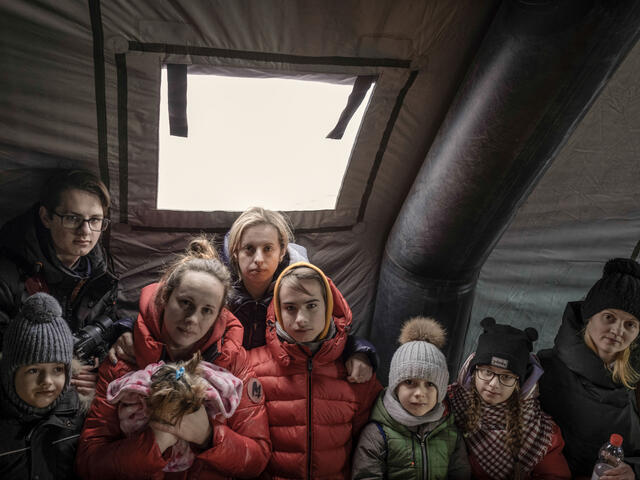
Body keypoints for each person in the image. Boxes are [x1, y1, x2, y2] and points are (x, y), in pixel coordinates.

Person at [76, 237, 270, 479]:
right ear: (165, 299)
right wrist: (154, 443)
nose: (192, 319)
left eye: (206, 310)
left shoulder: (233, 363)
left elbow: (257, 459)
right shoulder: (123, 360)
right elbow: (89, 461)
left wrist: (209, 436)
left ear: (219, 315)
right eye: (185, 303)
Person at [0, 169, 133, 397]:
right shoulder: (8, 273)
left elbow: (108, 322)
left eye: (95, 220)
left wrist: (98, 373)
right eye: (72, 218)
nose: (85, 231)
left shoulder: (101, 271)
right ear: (46, 217)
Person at [249, 262, 382, 479]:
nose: (301, 320)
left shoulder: (358, 373)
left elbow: (369, 450)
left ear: (328, 306)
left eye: (312, 306)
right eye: (290, 308)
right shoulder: (251, 368)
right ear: (278, 310)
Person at [224, 206, 376, 383]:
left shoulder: (302, 285)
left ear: (281, 252)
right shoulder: (218, 290)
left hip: (281, 381)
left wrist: (358, 351)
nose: (258, 259)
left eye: (267, 249)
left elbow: (329, 332)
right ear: (235, 252)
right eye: (249, 249)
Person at [538, 258, 640, 479]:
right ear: (589, 316)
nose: (617, 330)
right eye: (609, 317)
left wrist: (633, 470)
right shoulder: (543, 370)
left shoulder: (635, 382)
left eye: (630, 324)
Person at [448, 317, 571, 480]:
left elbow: (555, 475)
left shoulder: (541, 434)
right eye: (487, 372)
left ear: (519, 385)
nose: (493, 384)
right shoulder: (448, 405)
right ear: (473, 371)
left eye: (506, 377)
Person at [352, 316, 470, 480]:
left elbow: (460, 475)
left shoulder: (450, 434)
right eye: (409, 382)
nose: (420, 393)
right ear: (395, 386)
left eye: (430, 384)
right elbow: (366, 476)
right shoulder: (377, 434)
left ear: (441, 390)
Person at [0, 292, 86, 480]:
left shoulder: (79, 418)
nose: (47, 381)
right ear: (10, 372)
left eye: (57, 369)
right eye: (33, 370)